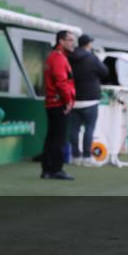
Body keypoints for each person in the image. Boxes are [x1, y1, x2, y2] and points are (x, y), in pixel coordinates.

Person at [68, 34, 109, 166]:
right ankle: (86, 157)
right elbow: (105, 72)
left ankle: (75, 157)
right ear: (88, 44)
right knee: (89, 129)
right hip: (90, 99)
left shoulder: (69, 57)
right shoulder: (92, 58)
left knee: (74, 130)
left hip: (74, 99)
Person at [41, 30, 76, 180]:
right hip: (59, 102)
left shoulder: (54, 56)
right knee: (58, 138)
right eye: (70, 40)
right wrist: (68, 101)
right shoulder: (58, 58)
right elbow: (61, 82)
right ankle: (55, 169)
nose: (73, 43)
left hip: (53, 102)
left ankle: (47, 170)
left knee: (52, 137)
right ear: (61, 41)